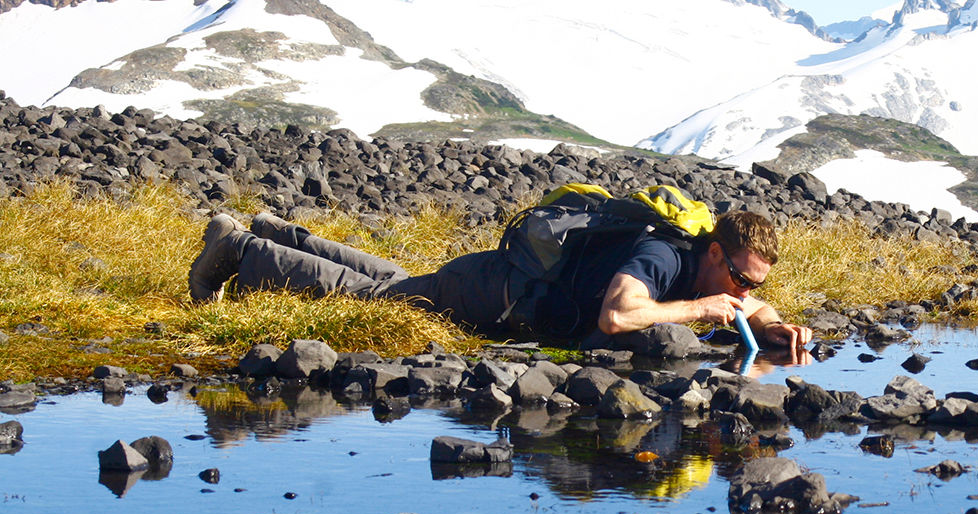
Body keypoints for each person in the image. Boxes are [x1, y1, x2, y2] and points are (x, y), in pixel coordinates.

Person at [188, 209, 813, 357]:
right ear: (712, 253)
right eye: (735, 276)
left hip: (502, 283)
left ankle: (277, 232)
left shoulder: (704, 269)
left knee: (400, 282)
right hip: (497, 293)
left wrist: (769, 323)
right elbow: (618, 317)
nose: (738, 290)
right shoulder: (662, 258)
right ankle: (240, 247)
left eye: (746, 283)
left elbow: (748, 301)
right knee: (376, 298)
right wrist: (700, 309)